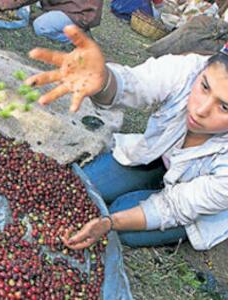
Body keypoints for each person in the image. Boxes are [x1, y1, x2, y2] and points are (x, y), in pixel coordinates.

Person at [26, 25, 228, 250]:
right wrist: (103, 81)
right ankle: (153, 178)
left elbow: (175, 207)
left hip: (201, 199)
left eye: (225, 107)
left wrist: (110, 222)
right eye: (205, 87)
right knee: (85, 185)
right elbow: (135, 84)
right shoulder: (187, 71)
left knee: (125, 227)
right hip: (160, 159)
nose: (201, 110)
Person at [0, 0, 103, 43]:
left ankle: (78, 36)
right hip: (75, 8)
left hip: (81, 14)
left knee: (41, 26)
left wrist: (7, 5)